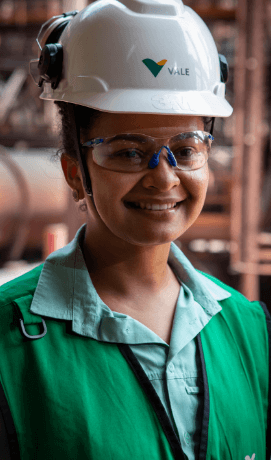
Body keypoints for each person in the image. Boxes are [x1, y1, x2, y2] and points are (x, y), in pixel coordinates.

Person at [0, 1, 270, 459]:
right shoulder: (11, 344)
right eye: (127, 152)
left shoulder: (248, 330)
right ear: (73, 171)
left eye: (185, 151)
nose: (164, 178)